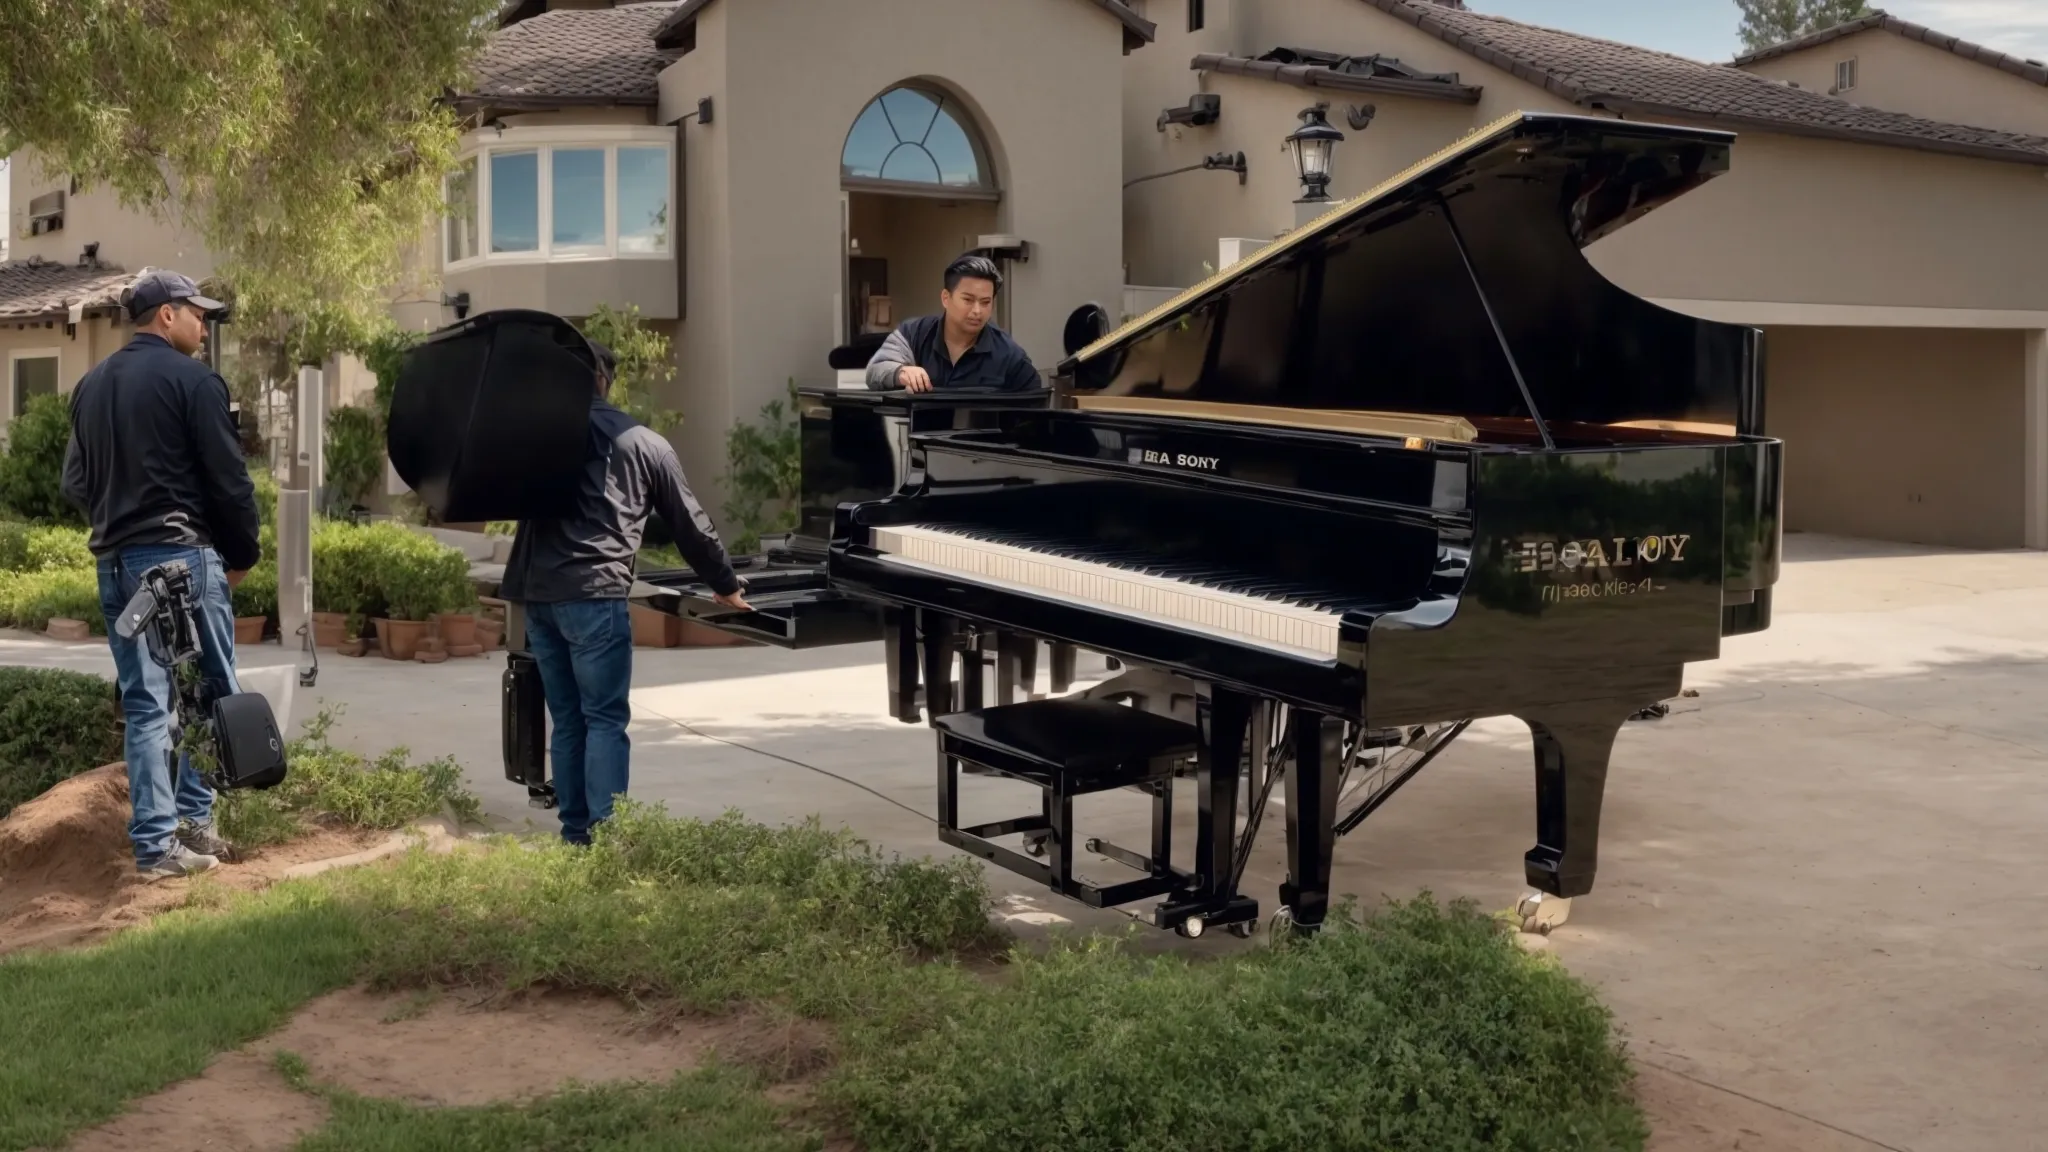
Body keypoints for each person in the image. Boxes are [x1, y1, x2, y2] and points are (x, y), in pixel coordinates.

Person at [501, 340, 751, 846]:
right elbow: (690, 523)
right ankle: (608, 841)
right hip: (594, 595)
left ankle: (575, 837)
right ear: (604, 380)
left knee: (568, 720)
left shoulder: (538, 436)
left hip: (539, 596)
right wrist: (724, 583)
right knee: (604, 719)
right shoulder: (645, 443)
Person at [63, 269, 261, 878]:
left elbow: (75, 483)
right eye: (197, 313)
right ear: (167, 315)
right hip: (181, 558)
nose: (204, 324)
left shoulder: (90, 386)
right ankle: (195, 822)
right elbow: (230, 482)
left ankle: (157, 848)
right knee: (212, 694)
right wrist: (242, 554)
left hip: (116, 566)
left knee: (147, 704)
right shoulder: (195, 382)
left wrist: (118, 518)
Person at [865, 254, 1041, 393]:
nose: (977, 311)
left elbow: (1034, 410)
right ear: (946, 298)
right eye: (968, 300)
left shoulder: (1009, 355)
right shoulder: (913, 333)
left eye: (985, 302)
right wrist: (901, 372)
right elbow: (875, 371)